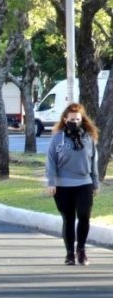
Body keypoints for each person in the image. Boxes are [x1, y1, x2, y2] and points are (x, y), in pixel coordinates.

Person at [46, 103, 99, 266]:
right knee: (68, 219)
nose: (74, 122)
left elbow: (93, 161)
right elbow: (51, 161)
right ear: (65, 119)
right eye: (71, 119)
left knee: (84, 216)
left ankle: (81, 250)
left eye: (77, 119)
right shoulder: (57, 138)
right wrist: (51, 182)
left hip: (84, 183)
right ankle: (69, 253)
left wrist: (95, 182)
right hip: (63, 185)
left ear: (82, 120)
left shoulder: (88, 138)